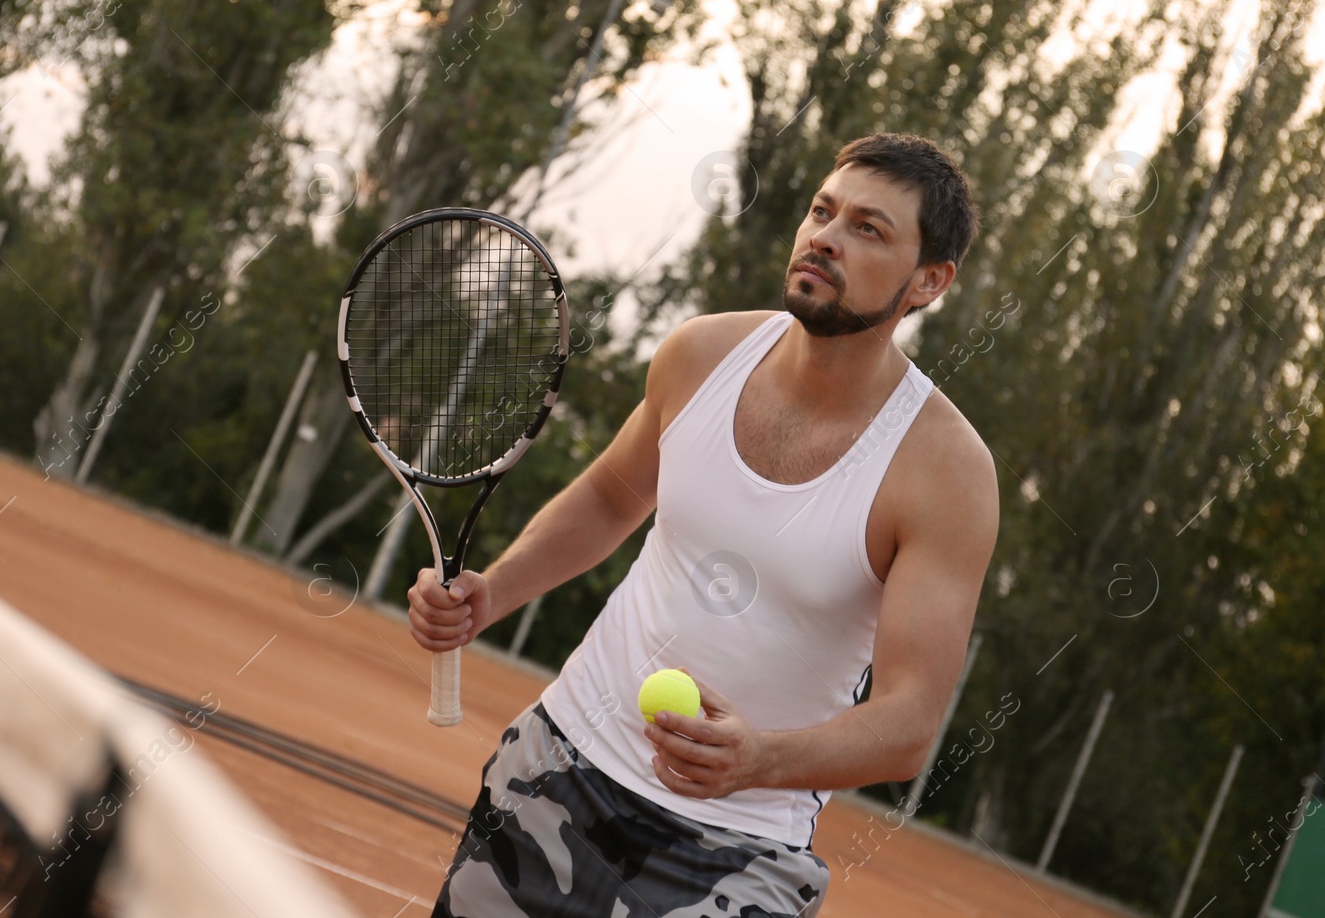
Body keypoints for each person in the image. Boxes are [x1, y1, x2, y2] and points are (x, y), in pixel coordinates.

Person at [410, 132, 1000, 917]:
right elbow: (613, 496)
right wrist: (492, 590)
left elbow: (909, 721)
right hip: (554, 770)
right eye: (822, 211)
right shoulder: (700, 354)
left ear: (930, 280)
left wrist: (760, 758)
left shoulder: (946, 471)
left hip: (739, 856)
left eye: (869, 228)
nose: (825, 235)